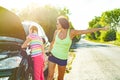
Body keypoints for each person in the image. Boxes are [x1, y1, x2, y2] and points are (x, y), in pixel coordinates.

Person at [47, 15, 108, 80]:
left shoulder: (71, 32)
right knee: (50, 76)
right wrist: (49, 52)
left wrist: (101, 29)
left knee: (60, 78)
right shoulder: (56, 32)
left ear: (62, 24)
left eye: (57, 23)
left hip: (62, 59)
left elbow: (86, 31)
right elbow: (52, 42)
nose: (56, 25)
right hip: (53, 56)